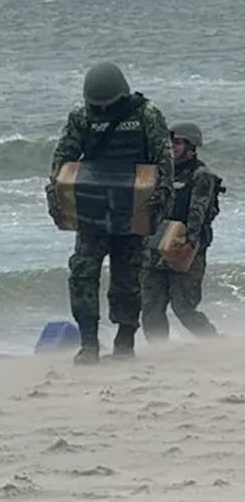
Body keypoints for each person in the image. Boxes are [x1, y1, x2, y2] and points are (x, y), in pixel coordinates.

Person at [49, 62, 173, 365]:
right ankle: (89, 342)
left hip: (133, 208)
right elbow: (63, 157)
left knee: (128, 278)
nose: (102, 109)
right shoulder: (81, 115)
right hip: (92, 209)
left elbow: (164, 161)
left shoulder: (146, 114)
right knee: (82, 273)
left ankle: (125, 340)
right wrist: (57, 195)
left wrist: (159, 201)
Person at [141, 121, 225, 342]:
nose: (172, 147)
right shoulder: (161, 173)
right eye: (170, 143)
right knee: (151, 306)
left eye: (177, 143)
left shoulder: (201, 175)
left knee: (183, 307)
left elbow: (198, 211)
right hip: (156, 244)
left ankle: (214, 344)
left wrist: (190, 242)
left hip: (186, 246)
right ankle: (158, 350)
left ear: (191, 145)